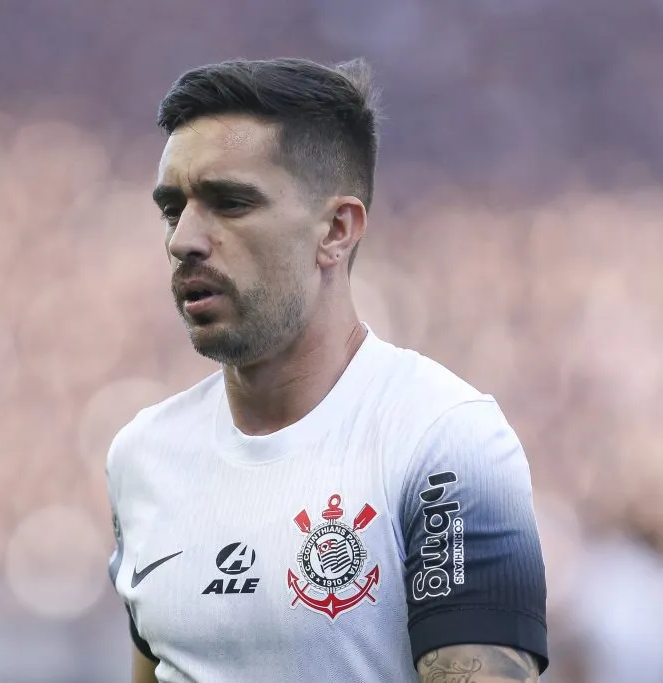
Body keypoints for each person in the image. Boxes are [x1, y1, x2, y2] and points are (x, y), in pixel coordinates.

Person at [104, 57, 548, 682]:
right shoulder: (143, 455)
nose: (185, 239)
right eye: (173, 209)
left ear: (337, 230)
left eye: (229, 203)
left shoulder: (443, 441)